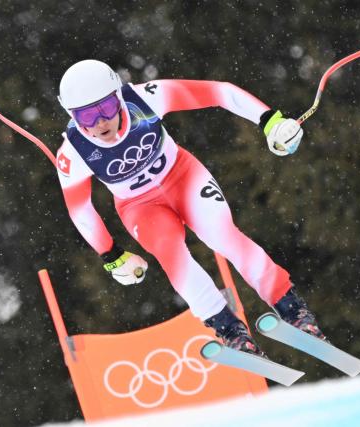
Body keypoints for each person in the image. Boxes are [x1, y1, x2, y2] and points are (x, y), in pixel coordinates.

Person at [55, 59, 325, 356]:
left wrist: (270, 121)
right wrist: (112, 255)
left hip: (183, 177)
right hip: (140, 206)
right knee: (171, 254)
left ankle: (292, 310)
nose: (100, 123)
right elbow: (80, 211)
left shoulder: (144, 98)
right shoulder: (73, 153)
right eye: (86, 116)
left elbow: (220, 92)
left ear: (118, 97)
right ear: (71, 115)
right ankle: (229, 330)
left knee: (222, 234)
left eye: (105, 108)